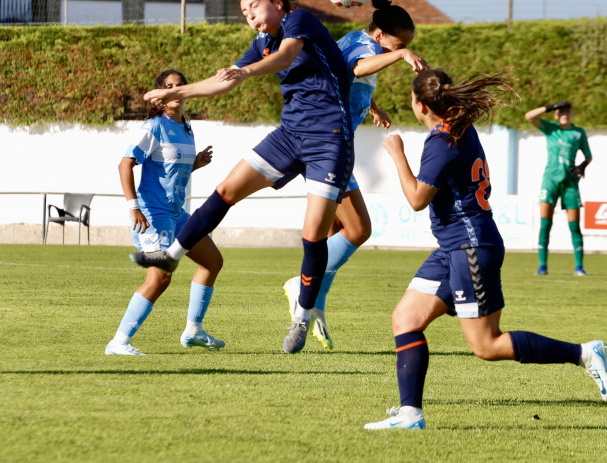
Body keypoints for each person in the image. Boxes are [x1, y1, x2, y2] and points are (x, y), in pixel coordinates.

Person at [363, 70, 607, 430]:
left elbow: (417, 199)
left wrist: (397, 154)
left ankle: (585, 353)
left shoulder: (442, 141)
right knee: (406, 319)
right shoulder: (461, 127)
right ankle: (410, 414)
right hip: (455, 247)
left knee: (487, 345)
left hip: (470, 248)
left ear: (420, 106)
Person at [130, 0, 353, 355]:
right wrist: (175, 93)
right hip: (290, 135)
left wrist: (246, 73)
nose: (248, 17)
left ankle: (302, 315)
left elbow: (285, 56)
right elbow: (222, 82)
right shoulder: (262, 42)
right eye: (244, 13)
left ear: (277, 4)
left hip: (329, 140)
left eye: (252, 7)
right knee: (226, 189)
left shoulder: (299, 20)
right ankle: (172, 255)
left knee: (312, 235)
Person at [282, 0, 429, 351]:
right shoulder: (366, 48)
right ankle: (298, 287)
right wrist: (399, 57)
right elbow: (359, 68)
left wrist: (373, 107)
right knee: (359, 229)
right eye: (399, 44)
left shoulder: (354, 37)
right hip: (329, 146)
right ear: (380, 35)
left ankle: (313, 308)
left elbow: (344, 77)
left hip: (327, 142)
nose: (403, 50)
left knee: (333, 233)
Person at [105, 69, 224, 356]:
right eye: (168, 86)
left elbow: (168, 169)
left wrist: (194, 163)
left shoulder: (186, 127)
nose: (174, 90)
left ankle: (193, 331)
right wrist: (133, 207)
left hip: (177, 213)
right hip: (152, 214)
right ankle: (118, 342)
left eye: (179, 85)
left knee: (212, 262)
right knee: (159, 277)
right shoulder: (154, 126)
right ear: (160, 96)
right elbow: (125, 164)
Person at [524, 101, 592, 276]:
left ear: (571, 114)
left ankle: (579, 267)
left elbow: (589, 156)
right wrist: (549, 107)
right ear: (556, 114)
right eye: (560, 112)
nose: (564, 114)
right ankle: (542, 266)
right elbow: (529, 116)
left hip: (570, 183)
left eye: (567, 112)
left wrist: (582, 165)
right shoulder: (551, 129)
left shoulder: (578, 133)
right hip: (550, 181)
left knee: (575, 226)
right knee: (546, 224)